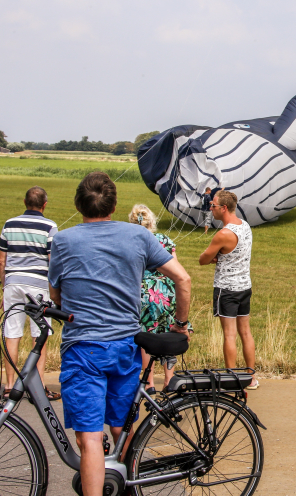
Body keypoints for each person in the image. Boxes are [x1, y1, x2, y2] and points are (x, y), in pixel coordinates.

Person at [48, 172, 191, 495]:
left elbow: (55, 295)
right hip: (126, 346)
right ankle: (130, 488)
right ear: (113, 204)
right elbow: (183, 280)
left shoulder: (64, 240)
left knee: (89, 438)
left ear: (78, 203)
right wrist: (180, 325)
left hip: (84, 348)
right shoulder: (137, 237)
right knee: (121, 429)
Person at [0, 186, 60, 401]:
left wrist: (4, 287)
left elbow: (2, 260)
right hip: (39, 285)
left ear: (25, 202)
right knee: (39, 334)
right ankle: (39, 388)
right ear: (45, 205)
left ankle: (8, 385)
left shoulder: (9, 224)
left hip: (13, 283)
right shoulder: (50, 227)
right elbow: (53, 262)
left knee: (12, 333)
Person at [129, 204, 192, 394]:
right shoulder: (164, 240)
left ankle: (148, 382)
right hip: (165, 293)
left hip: (143, 292)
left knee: (146, 333)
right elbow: (176, 268)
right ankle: (169, 378)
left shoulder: (131, 241)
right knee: (167, 332)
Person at [199, 191, 258, 389]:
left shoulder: (223, 234)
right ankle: (251, 377)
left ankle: (231, 379)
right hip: (244, 286)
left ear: (223, 208)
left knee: (230, 335)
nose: (211, 208)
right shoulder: (245, 226)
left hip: (227, 289)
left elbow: (203, 259)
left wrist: (215, 256)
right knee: (246, 333)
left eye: (213, 206)